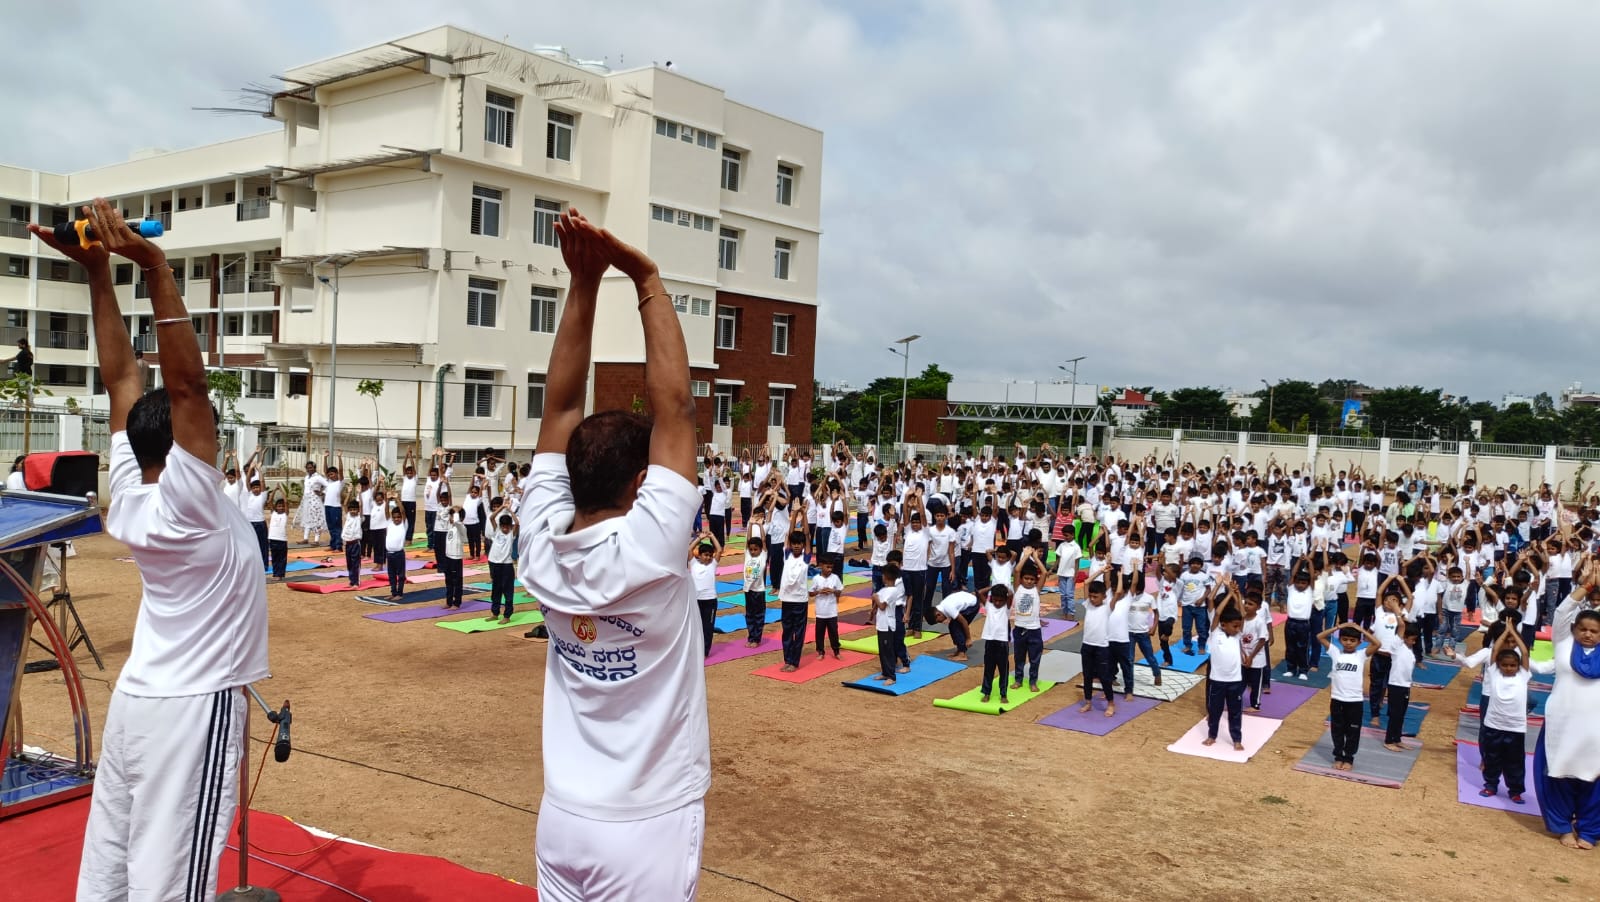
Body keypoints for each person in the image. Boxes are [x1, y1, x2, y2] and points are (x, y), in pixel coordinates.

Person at [37, 200, 269, 900]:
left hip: (140, 701)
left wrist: (99, 276)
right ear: (190, 448)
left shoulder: (134, 492)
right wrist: (158, 270)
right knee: (171, 883)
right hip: (191, 711)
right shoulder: (189, 502)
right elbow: (187, 386)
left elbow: (120, 382)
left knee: (111, 867)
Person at [515, 209, 707, 896]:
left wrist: (584, 284)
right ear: (639, 483)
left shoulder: (539, 546)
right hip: (645, 820)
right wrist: (646, 280)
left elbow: (557, 410)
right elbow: (677, 409)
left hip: (564, 815)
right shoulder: (652, 548)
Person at [1533, 571, 1600, 849]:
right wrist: (1586, 587)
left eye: (1595, 631)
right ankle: (1562, 826)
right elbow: (1562, 611)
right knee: (1557, 773)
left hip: (1595, 728)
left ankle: (1589, 830)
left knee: (1594, 778)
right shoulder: (1562, 644)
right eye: (1583, 629)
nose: (1588, 634)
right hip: (1561, 722)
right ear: (1574, 629)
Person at [1478, 624, 1551, 802]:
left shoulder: (1522, 675)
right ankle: (1490, 785)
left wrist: (1514, 633)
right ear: (1498, 666)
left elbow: (1524, 653)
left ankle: (1515, 790)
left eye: (1513, 665)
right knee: (1492, 758)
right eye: (1505, 665)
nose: (1509, 668)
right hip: (1493, 725)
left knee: (1515, 761)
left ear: (1519, 666)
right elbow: (1495, 649)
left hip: (1515, 728)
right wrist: (1505, 633)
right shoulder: (1494, 673)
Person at [1318, 620, 1380, 771]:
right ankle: (1339, 756)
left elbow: (1377, 644)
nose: (1348, 643)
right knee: (1337, 730)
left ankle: (1349, 758)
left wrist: (1361, 630)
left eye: (1352, 640)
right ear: (1340, 640)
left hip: (1355, 701)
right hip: (1337, 699)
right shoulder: (1335, 652)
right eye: (1345, 640)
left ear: (1359, 642)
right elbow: (1320, 636)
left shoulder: (1361, 655)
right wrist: (1339, 627)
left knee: (1352, 731)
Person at [1205, 587, 1248, 751]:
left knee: (1235, 712)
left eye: (1239, 626)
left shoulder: (1237, 634)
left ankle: (1236, 738)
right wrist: (1229, 594)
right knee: (1214, 710)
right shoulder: (1216, 633)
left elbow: (1242, 615)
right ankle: (1212, 735)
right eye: (1235, 626)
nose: (1238, 629)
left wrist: (1237, 595)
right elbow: (1217, 614)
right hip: (1217, 680)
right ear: (1224, 625)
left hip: (1235, 680)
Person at [777, 529, 810, 672]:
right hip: (787, 599)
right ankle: (788, 660)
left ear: (803, 545)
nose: (796, 546)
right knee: (787, 631)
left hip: (800, 600)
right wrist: (794, 514)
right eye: (794, 543)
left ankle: (794, 662)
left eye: (799, 544)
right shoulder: (787, 555)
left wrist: (802, 514)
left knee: (799, 632)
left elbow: (807, 535)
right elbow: (789, 532)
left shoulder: (806, 558)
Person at [978, 583, 1013, 705]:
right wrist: (991, 588)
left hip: (1002, 643)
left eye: (1001, 600)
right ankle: (986, 692)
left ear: (1005, 600)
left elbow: (1011, 594)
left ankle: (1003, 694)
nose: (998, 603)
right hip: (990, 641)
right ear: (991, 598)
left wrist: (1004, 587)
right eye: (995, 600)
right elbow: (980, 592)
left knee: (1003, 669)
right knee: (989, 668)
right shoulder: (989, 606)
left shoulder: (1006, 608)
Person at [689, 531, 722, 656]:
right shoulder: (693, 563)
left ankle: (705, 651)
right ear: (700, 555)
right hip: (696, 600)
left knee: (708, 627)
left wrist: (712, 536)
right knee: (695, 626)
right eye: (705, 555)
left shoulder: (712, 565)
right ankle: (696, 648)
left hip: (710, 600)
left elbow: (719, 550)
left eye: (710, 555)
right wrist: (699, 538)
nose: (708, 557)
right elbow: (689, 549)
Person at [872, 564, 905, 687]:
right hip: (881, 623)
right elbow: (878, 604)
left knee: (888, 651)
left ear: (886, 576)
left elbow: (882, 605)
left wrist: (875, 598)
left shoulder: (893, 591)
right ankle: (885, 672)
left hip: (887, 624)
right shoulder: (884, 589)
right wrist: (871, 613)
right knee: (882, 650)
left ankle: (892, 676)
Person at [930, 589, 981, 662]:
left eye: (939, 621)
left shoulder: (948, 608)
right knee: (952, 625)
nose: (941, 622)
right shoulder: (941, 607)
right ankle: (959, 650)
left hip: (973, 605)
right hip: (968, 600)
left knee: (956, 627)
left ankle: (962, 654)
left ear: (938, 615)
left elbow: (964, 622)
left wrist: (968, 639)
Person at [486, 513, 517, 623]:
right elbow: (491, 518)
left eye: (507, 526)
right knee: (496, 590)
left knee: (508, 591)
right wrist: (502, 507)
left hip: (506, 565)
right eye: (503, 526)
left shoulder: (511, 534)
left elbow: (517, 523)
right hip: (495, 564)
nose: (505, 528)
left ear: (510, 526)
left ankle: (507, 616)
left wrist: (509, 510)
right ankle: (495, 613)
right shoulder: (497, 531)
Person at [811, 556, 844, 659]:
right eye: (827, 567)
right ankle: (820, 652)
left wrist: (833, 591)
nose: (829, 569)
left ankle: (836, 651)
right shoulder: (816, 579)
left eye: (831, 567)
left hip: (832, 612)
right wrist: (819, 591)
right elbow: (811, 593)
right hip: (821, 612)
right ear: (821, 566)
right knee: (819, 633)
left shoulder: (835, 578)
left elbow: (839, 591)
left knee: (834, 632)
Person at [742, 535, 769, 647]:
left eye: (755, 549)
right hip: (748, 590)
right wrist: (751, 524)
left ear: (760, 549)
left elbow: (763, 541)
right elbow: (747, 540)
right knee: (749, 614)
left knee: (758, 615)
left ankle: (757, 639)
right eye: (751, 549)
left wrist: (758, 525)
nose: (753, 552)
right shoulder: (748, 556)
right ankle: (751, 637)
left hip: (759, 591)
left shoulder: (762, 557)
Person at [384, 503, 409, 601]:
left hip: (399, 554)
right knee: (391, 574)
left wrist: (396, 499)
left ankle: (400, 593)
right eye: (394, 517)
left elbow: (403, 511)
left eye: (398, 517)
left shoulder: (403, 524)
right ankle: (393, 592)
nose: (396, 519)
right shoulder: (389, 524)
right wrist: (387, 498)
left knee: (401, 575)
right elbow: (386, 512)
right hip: (389, 554)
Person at [341, 499, 365, 586]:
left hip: (355, 544)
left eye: (355, 509)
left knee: (355, 563)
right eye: (351, 510)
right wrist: (349, 492)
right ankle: (351, 581)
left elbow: (361, 507)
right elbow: (345, 504)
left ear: (358, 510)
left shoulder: (359, 518)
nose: (352, 511)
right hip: (348, 544)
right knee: (349, 564)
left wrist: (359, 494)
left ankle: (356, 582)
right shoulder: (348, 516)